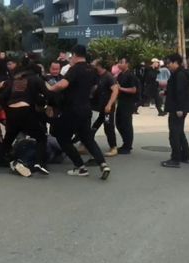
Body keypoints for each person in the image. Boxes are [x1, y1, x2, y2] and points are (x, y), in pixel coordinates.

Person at [46, 45, 111, 180]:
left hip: (72, 110)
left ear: (75, 55)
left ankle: (80, 167)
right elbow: (94, 87)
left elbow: (62, 84)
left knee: (62, 138)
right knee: (88, 139)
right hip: (86, 109)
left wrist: (50, 89)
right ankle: (103, 164)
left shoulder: (75, 69)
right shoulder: (91, 69)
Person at [0, 63, 50, 176]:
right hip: (26, 111)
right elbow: (47, 94)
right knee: (41, 137)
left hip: (11, 112)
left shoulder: (12, 81)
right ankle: (39, 163)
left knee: (7, 142)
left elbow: (2, 97)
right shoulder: (35, 79)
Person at [161, 54, 189, 168]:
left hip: (177, 108)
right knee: (179, 132)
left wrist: (179, 108)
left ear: (176, 63)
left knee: (174, 133)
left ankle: (175, 158)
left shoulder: (179, 75)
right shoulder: (177, 74)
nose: (168, 65)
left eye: (169, 63)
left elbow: (180, 92)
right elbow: (175, 90)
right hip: (178, 107)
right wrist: (165, 93)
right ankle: (185, 154)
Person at [91, 59, 119, 157]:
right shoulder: (96, 76)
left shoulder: (108, 77)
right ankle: (86, 144)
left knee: (108, 127)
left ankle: (113, 147)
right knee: (92, 126)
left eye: (94, 65)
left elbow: (115, 90)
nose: (92, 66)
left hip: (107, 108)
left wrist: (109, 104)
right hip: (98, 107)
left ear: (99, 66)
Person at [116, 57, 138, 154]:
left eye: (121, 62)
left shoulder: (130, 75)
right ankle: (125, 142)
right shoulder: (120, 75)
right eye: (119, 62)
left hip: (128, 102)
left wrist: (121, 89)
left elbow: (134, 90)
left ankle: (128, 146)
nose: (119, 64)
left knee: (126, 124)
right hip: (121, 102)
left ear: (127, 64)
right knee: (118, 123)